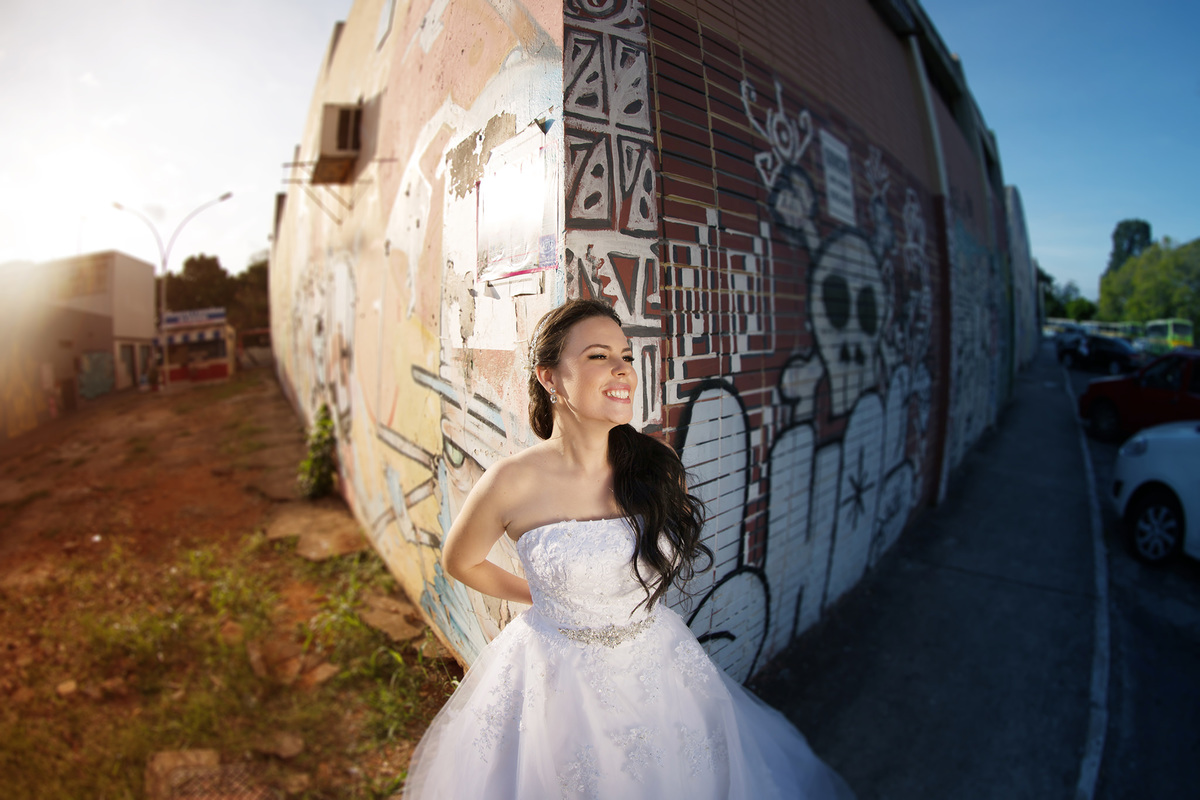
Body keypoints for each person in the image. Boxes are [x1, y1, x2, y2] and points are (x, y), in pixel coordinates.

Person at [403, 299, 854, 799]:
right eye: (598, 356)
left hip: (657, 664)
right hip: (557, 684)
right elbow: (459, 560)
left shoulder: (658, 465)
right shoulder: (510, 482)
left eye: (626, 355)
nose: (622, 369)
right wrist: (547, 597)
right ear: (549, 377)